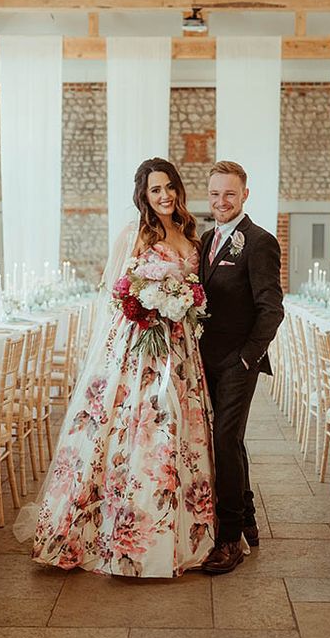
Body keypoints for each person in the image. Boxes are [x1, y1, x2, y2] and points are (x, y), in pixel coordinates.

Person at [26, 158, 215, 578]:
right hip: (141, 350)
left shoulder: (190, 233)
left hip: (181, 350)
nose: (163, 195)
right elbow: (116, 294)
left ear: (178, 189)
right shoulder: (134, 234)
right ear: (143, 196)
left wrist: (186, 303)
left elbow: (196, 290)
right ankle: (114, 534)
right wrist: (146, 302)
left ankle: (175, 535)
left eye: (169, 187)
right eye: (155, 190)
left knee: (178, 429)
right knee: (141, 427)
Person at [199, 160, 284, 574]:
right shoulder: (205, 240)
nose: (221, 201)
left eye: (229, 194)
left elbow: (272, 310)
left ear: (245, 194)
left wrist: (248, 357)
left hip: (237, 363)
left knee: (224, 440)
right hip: (205, 360)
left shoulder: (259, 242)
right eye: (214, 194)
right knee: (229, 442)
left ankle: (229, 539)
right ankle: (247, 517)